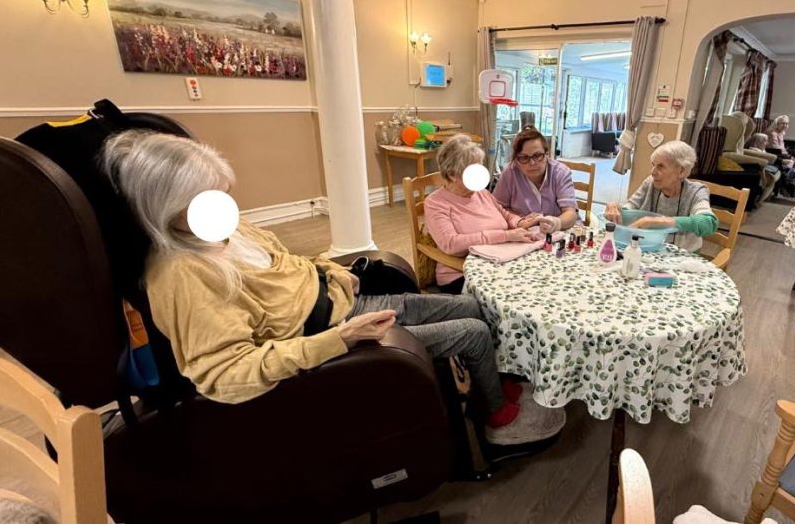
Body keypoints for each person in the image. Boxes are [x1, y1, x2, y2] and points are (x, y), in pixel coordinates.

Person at [101, 130, 563, 445]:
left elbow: (288, 263)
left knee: (471, 306)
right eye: (207, 198)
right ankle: (496, 421)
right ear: (167, 206)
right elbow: (223, 377)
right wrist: (337, 339)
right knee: (476, 330)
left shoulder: (227, 231)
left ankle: (490, 387)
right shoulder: (181, 274)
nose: (223, 207)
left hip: (352, 301)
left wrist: (332, 271)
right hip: (336, 337)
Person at [424, 135, 540, 294]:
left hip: (499, 261)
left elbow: (504, 214)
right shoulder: (435, 203)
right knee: (519, 292)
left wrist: (519, 223)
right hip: (461, 273)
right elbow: (451, 244)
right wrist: (506, 236)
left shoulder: (481, 193)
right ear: (452, 174)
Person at [604, 140, 719, 252]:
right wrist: (616, 209)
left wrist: (656, 221)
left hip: (684, 255)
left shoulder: (697, 191)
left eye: (661, 166)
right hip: (649, 249)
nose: (652, 172)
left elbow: (708, 223)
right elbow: (630, 207)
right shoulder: (650, 183)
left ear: (681, 171)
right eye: (653, 165)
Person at [492, 127, 578, 233]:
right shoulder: (509, 173)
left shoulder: (560, 173)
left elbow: (570, 213)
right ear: (516, 160)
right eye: (524, 157)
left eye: (537, 156)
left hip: (560, 232)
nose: (532, 163)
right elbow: (497, 208)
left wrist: (556, 222)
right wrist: (519, 221)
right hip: (524, 232)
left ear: (547, 155)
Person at [764, 115, 795, 199]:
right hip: (774, 158)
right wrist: (788, 158)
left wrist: (789, 156)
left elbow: (782, 149)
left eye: (786, 123)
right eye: (783, 123)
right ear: (777, 123)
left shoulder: (781, 133)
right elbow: (775, 150)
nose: (785, 126)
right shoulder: (772, 134)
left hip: (781, 156)